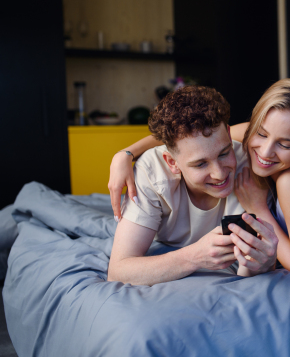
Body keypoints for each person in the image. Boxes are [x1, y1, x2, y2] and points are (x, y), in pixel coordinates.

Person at [110, 78, 290, 272]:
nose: (264, 153)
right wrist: (126, 154)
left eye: (286, 144)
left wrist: (259, 207)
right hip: (287, 208)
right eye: (261, 134)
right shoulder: (237, 138)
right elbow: (179, 134)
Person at [107, 86, 278, 286]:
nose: (220, 174)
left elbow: (248, 272)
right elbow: (118, 272)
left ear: (229, 135)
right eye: (200, 164)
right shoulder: (152, 172)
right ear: (172, 162)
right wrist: (196, 256)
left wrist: (265, 263)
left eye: (224, 153)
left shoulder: (251, 168)